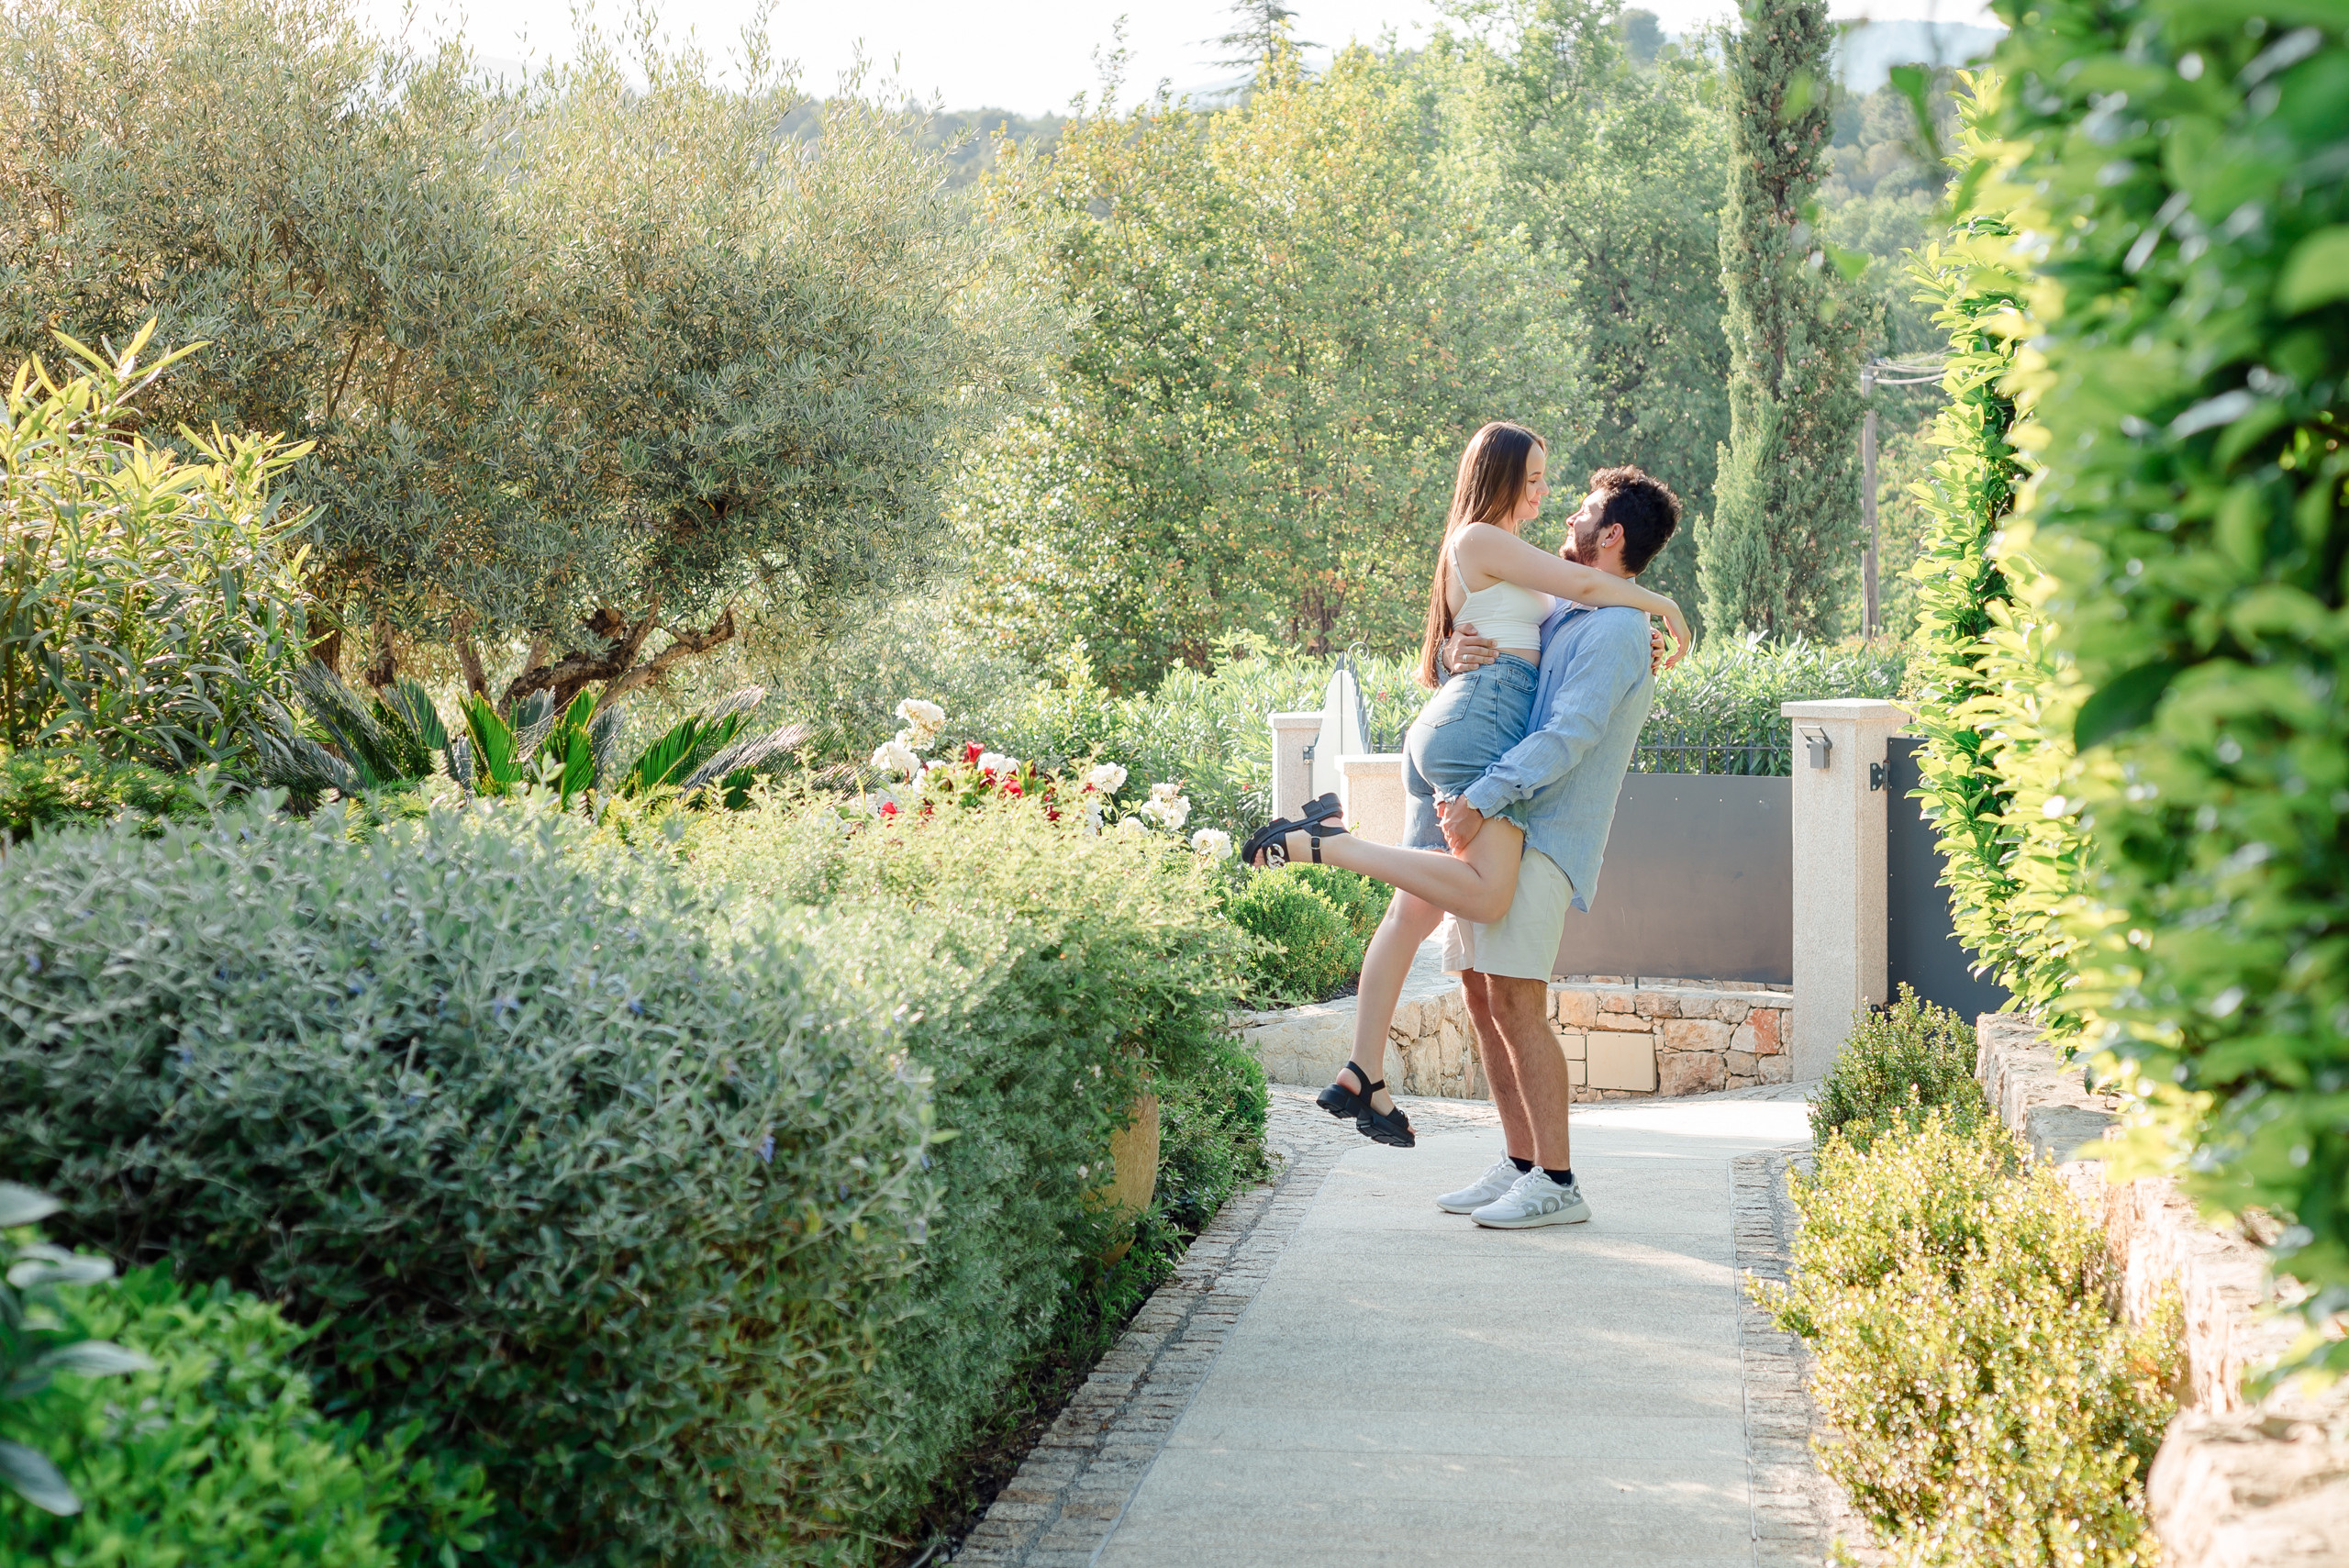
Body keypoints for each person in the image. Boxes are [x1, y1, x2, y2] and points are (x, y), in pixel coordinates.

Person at [1241, 426, 1687, 1164]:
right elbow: (1575, 596)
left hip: (1461, 721)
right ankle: (1329, 841)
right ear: (1504, 475)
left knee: (1418, 917)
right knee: (1486, 911)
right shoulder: (1489, 540)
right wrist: (1658, 604)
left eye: (1565, 492)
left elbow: (1566, 618)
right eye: (1539, 480)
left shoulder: (1546, 582)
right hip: (1478, 736)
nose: (1552, 498)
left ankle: (1366, 1073)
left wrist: (1625, 625)